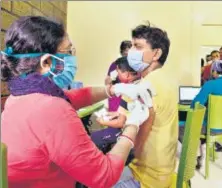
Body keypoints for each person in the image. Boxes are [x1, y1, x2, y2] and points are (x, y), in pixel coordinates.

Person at [0, 16, 153, 188]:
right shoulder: (52, 110)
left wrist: (113, 90)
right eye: (68, 52)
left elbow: (73, 96)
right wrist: (133, 125)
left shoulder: (19, 95)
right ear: (46, 62)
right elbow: (104, 176)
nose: (73, 58)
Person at [108, 23, 178, 188]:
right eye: (132, 46)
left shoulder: (148, 86)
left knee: (99, 179)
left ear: (156, 53)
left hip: (146, 177)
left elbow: (137, 141)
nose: (131, 51)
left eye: (137, 46)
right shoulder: (165, 80)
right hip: (163, 171)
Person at [178, 61, 222, 169]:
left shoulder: (210, 84)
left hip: (207, 128)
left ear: (215, 71)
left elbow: (197, 104)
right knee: (204, 123)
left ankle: (190, 157)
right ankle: (203, 156)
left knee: (180, 126)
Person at [91, 56, 141, 163]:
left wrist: (102, 121)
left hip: (126, 134)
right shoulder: (140, 86)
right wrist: (112, 114)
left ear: (127, 74)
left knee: (92, 139)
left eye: (118, 72)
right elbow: (127, 114)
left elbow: (121, 123)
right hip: (135, 133)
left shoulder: (129, 93)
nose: (117, 75)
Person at [105, 40, 132, 112]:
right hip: (116, 99)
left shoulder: (134, 66)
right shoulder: (115, 64)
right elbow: (107, 82)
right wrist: (113, 76)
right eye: (126, 52)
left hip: (129, 98)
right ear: (122, 52)